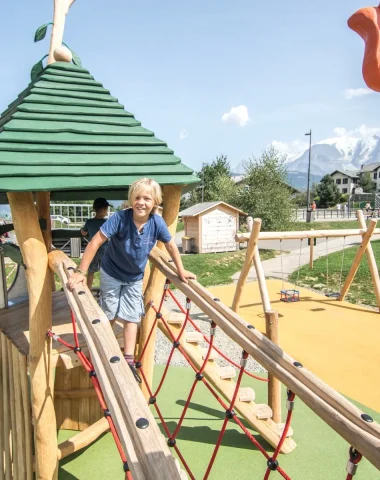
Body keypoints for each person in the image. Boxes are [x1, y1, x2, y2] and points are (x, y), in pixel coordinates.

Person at [68, 178, 196, 381]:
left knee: (132, 316)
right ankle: (101, 349)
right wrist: (81, 272)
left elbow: (171, 246)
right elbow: (95, 242)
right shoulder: (120, 218)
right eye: (137, 197)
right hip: (112, 271)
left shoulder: (156, 223)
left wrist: (181, 270)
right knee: (109, 311)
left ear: (155, 202)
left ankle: (128, 359)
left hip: (134, 276)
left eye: (147, 198)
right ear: (130, 200)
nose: (141, 202)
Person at [80, 198, 110, 290]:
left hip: (92, 250)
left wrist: (82, 229)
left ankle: (88, 289)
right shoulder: (106, 222)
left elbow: (83, 233)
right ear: (104, 209)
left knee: (91, 271)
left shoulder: (89, 222)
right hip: (105, 249)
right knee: (104, 271)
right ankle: (104, 290)